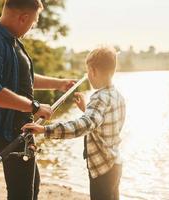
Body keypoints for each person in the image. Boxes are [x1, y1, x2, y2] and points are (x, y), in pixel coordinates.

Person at [0, 0, 75, 199]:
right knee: (22, 194)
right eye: (33, 22)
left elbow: (22, 78)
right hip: (7, 132)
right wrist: (35, 107)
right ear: (23, 18)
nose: (32, 27)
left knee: (32, 186)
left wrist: (59, 83)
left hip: (20, 129)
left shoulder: (10, 40)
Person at [22, 46, 126, 200]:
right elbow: (103, 123)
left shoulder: (98, 98)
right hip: (115, 163)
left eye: (88, 72)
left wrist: (44, 129)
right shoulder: (117, 95)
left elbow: (82, 126)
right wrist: (86, 109)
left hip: (101, 167)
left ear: (93, 71)